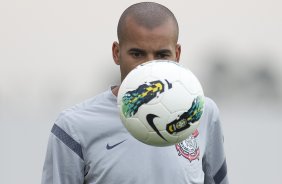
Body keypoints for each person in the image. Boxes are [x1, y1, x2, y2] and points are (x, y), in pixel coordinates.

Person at [41, 2, 228, 184]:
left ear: (177, 54)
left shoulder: (202, 112)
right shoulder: (73, 127)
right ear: (117, 53)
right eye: (137, 54)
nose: (149, 67)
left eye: (162, 55)